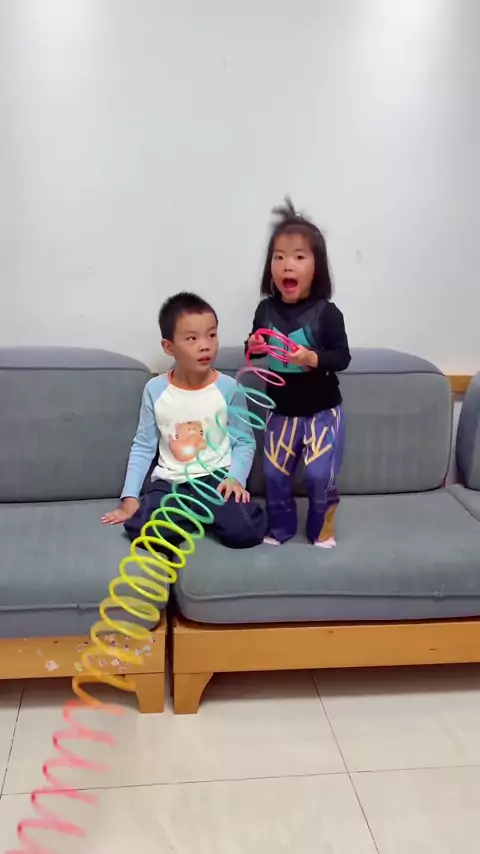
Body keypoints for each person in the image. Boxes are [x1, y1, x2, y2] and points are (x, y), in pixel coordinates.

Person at [103, 292, 266, 551]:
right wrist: (129, 497)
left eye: (211, 335)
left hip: (216, 479)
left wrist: (235, 478)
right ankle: (190, 516)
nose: (205, 346)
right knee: (142, 529)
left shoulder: (229, 388)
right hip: (170, 483)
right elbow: (143, 446)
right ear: (169, 347)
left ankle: (200, 515)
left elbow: (244, 441)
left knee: (247, 530)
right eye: (192, 338)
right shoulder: (155, 390)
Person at [246, 198, 351, 548]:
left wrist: (311, 358)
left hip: (322, 410)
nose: (287, 264)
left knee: (320, 474)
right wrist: (254, 345)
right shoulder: (264, 310)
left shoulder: (328, 314)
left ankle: (321, 530)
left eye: (299, 256)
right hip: (281, 410)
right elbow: (255, 345)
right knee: (274, 474)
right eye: (278, 257)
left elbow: (342, 357)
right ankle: (280, 529)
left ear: (317, 267)